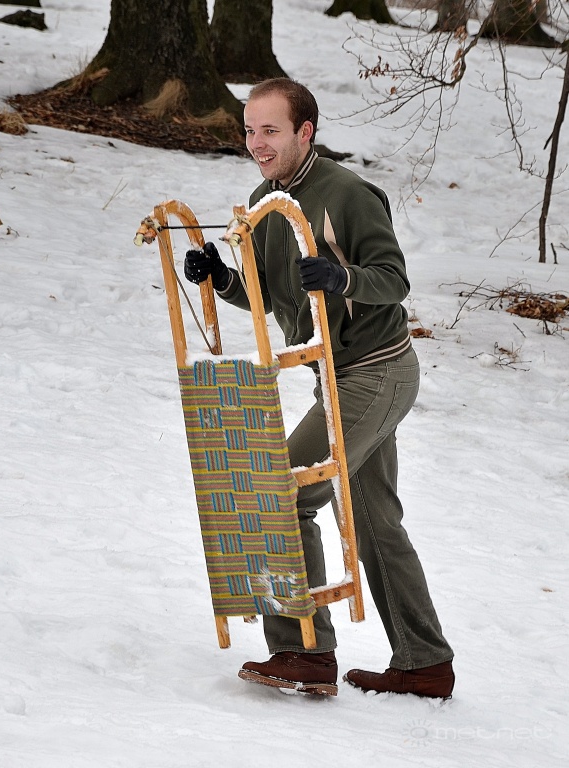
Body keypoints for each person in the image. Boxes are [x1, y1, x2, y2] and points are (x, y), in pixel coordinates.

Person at [183, 78, 455, 699]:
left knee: (281, 491)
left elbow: (393, 280)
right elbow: (270, 295)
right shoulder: (265, 201)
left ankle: (304, 651)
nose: (257, 143)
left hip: (376, 371)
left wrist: (342, 277)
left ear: (305, 132)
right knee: (375, 521)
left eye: (270, 130)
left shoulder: (347, 194)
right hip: (334, 375)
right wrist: (221, 277)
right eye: (249, 130)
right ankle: (424, 663)